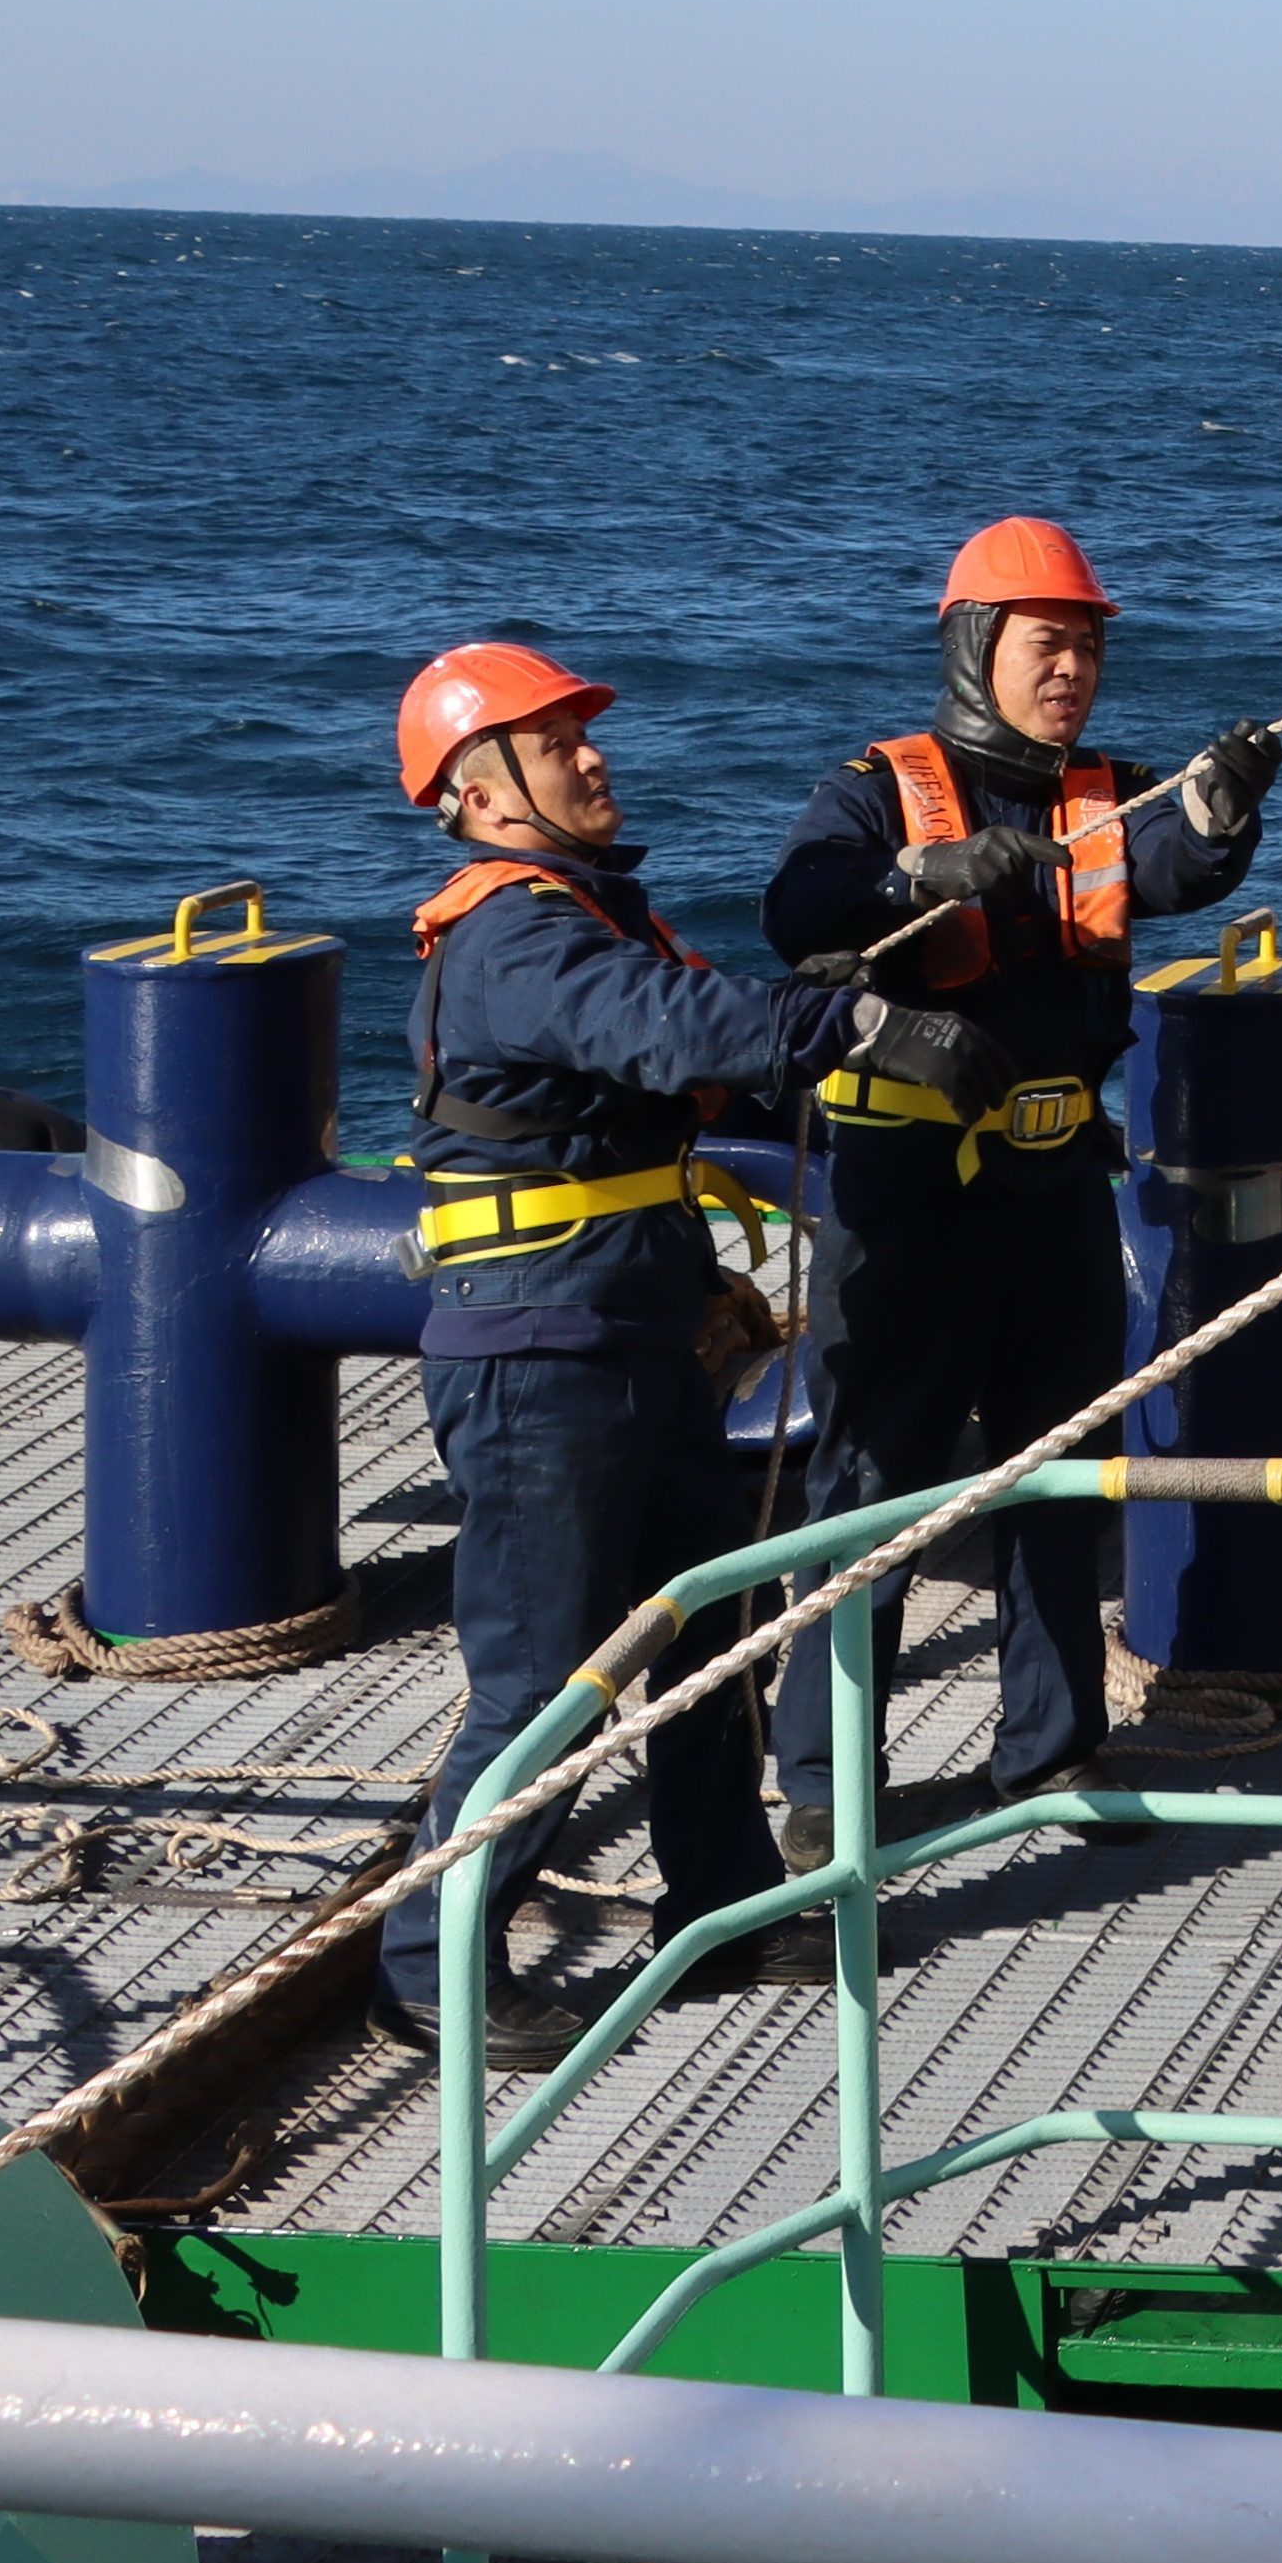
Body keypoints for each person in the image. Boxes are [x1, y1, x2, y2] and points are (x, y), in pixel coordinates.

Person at [384, 639, 875, 2058]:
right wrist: (843, 1017)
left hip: (631, 1336)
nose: (592, 756)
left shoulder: (589, 917)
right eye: (555, 744)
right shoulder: (517, 937)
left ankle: (720, 1902)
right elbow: (666, 1030)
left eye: (582, 735)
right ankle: (427, 1969)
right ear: (483, 795)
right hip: (539, 1362)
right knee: (543, 1676)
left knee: (707, 1627)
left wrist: (829, 1004)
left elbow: (691, 1046)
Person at [755, 518, 1278, 1837]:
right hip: (908, 1198)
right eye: (1048, 643)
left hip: (1054, 1195)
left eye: (1088, 648)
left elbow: (1165, 861)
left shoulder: (1107, 792)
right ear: (976, 647)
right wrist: (916, 875)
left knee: (1058, 1478)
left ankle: (1050, 1752)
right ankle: (823, 1787)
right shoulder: (877, 788)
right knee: (873, 1494)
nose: (1072, 670)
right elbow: (799, 905)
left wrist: (1218, 816)